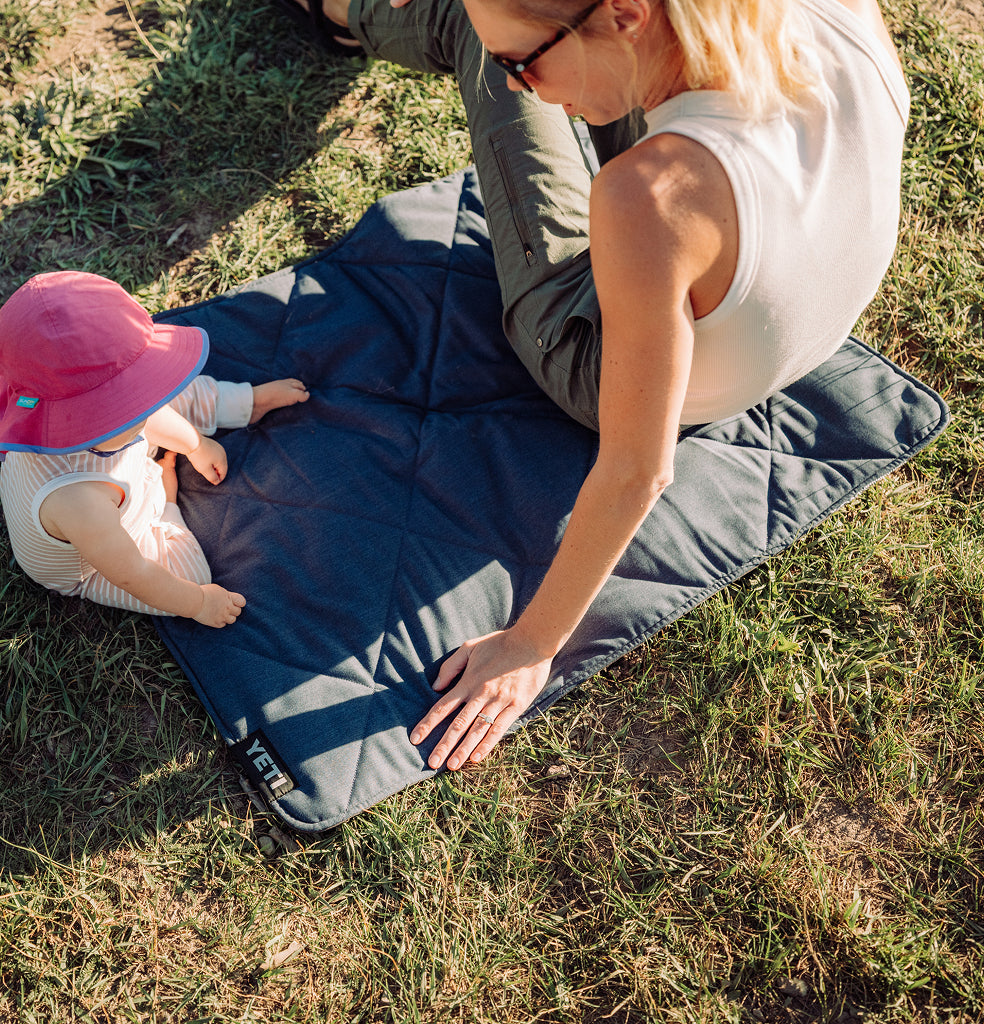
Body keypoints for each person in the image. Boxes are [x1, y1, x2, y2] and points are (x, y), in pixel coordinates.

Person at [295, 0, 909, 772]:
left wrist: (530, 644)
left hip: (606, 367)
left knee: (465, 20)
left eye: (527, 62)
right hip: (800, 326)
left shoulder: (649, 198)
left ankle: (337, 12)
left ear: (624, 13)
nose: (525, 84)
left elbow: (637, 469)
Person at [0, 271, 310, 627]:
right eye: (128, 406)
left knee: (169, 393)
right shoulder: (78, 504)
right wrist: (199, 602)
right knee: (190, 577)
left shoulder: (79, 412)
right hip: (94, 561)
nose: (143, 407)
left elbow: (143, 413)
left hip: (109, 467)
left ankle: (245, 401)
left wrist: (195, 444)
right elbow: (133, 573)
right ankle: (164, 513)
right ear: (85, 420)